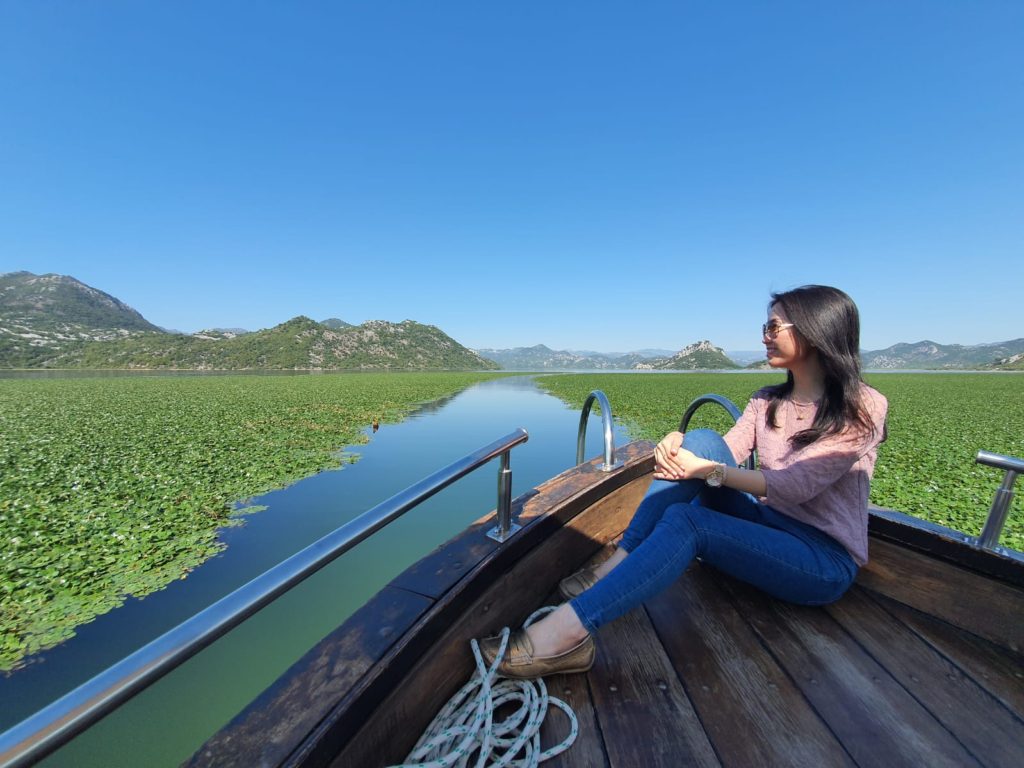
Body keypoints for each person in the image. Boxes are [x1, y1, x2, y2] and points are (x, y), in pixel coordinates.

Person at [481, 285, 888, 678]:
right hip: (767, 524)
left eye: (773, 327)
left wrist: (705, 470)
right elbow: (721, 450)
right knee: (701, 439)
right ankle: (621, 560)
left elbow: (795, 486)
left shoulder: (862, 406)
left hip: (819, 557)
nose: (764, 337)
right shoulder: (767, 400)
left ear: (815, 330)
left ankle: (567, 636)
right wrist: (682, 448)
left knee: (686, 520)